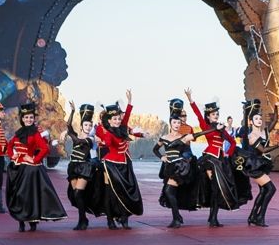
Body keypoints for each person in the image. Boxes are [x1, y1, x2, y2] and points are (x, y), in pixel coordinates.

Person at [187, 89, 246, 227]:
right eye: (214, 114)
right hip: (209, 159)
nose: (216, 116)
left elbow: (232, 141)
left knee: (218, 189)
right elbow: (197, 114)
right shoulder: (205, 125)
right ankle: (212, 218)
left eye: (217, 114)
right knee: (214, 187)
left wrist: (227, 153)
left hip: (220, 160)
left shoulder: (222, 129)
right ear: (208, 116)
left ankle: (213, 217)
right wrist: (191, 99)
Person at [6, 102, 67, 231]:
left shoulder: (35, 134)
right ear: (22, 119)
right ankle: (21, 221)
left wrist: (34, 159)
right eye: (26, 117)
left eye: (31, 117)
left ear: (34, 119)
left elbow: (45, 149)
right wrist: (13, 156)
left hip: (30, 170)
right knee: (18, 195)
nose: (28, 120)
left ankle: (32, 221)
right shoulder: (18, 133)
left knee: (29, 195)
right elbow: (10, 146)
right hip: (17, 169)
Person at [95, 90, 144, 230]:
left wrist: (129, 102)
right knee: (111, 192)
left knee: (128, 190)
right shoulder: (109, 133)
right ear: (109, 121)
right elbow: (108, 144)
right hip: (111, 165)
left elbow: (127, 116)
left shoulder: (123, 127)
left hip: (125, 164)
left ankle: (124, 217)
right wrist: (102, 141)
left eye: (118, 118)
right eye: (114, 119)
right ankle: (110, 219)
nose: (117, 121)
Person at [237, 99, 279, 227]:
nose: (259, 120)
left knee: (264, 191)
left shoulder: (263, 133)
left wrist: (276, 106)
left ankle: (253, 217)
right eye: (256, 118)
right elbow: (263, 150)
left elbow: (274, 121)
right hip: (254, 165)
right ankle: (260, 217)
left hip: (260, 163)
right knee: (271, 189)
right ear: (251, 121)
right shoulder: (251, 135)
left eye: (260, 118)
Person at [154, 99, 199, 229]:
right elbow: (155, 149)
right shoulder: (164, 138)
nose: (177, 124)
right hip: (169, 167)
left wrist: (214, 130)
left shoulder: (183, 137)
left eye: (179, 122)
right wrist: (161, 157)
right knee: (170, 192)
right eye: (174, 122)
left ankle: (177, 218)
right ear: (170, 123)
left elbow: (199, 134)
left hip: (179, 168)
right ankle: (177, 217)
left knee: (168, 191)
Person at [63, 103, 99, 230]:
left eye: (90, 125)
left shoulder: (91, 139)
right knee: (76, 195)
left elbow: (78, 141)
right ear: (81, 126)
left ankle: (81, 220)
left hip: (84, 167)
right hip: (73, 166)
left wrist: (69, 134)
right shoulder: (76, 135)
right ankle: (84, 219)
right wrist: (72, 111)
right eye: (86, 125)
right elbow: (68, 125)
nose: (88, 127)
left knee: (78, 193)